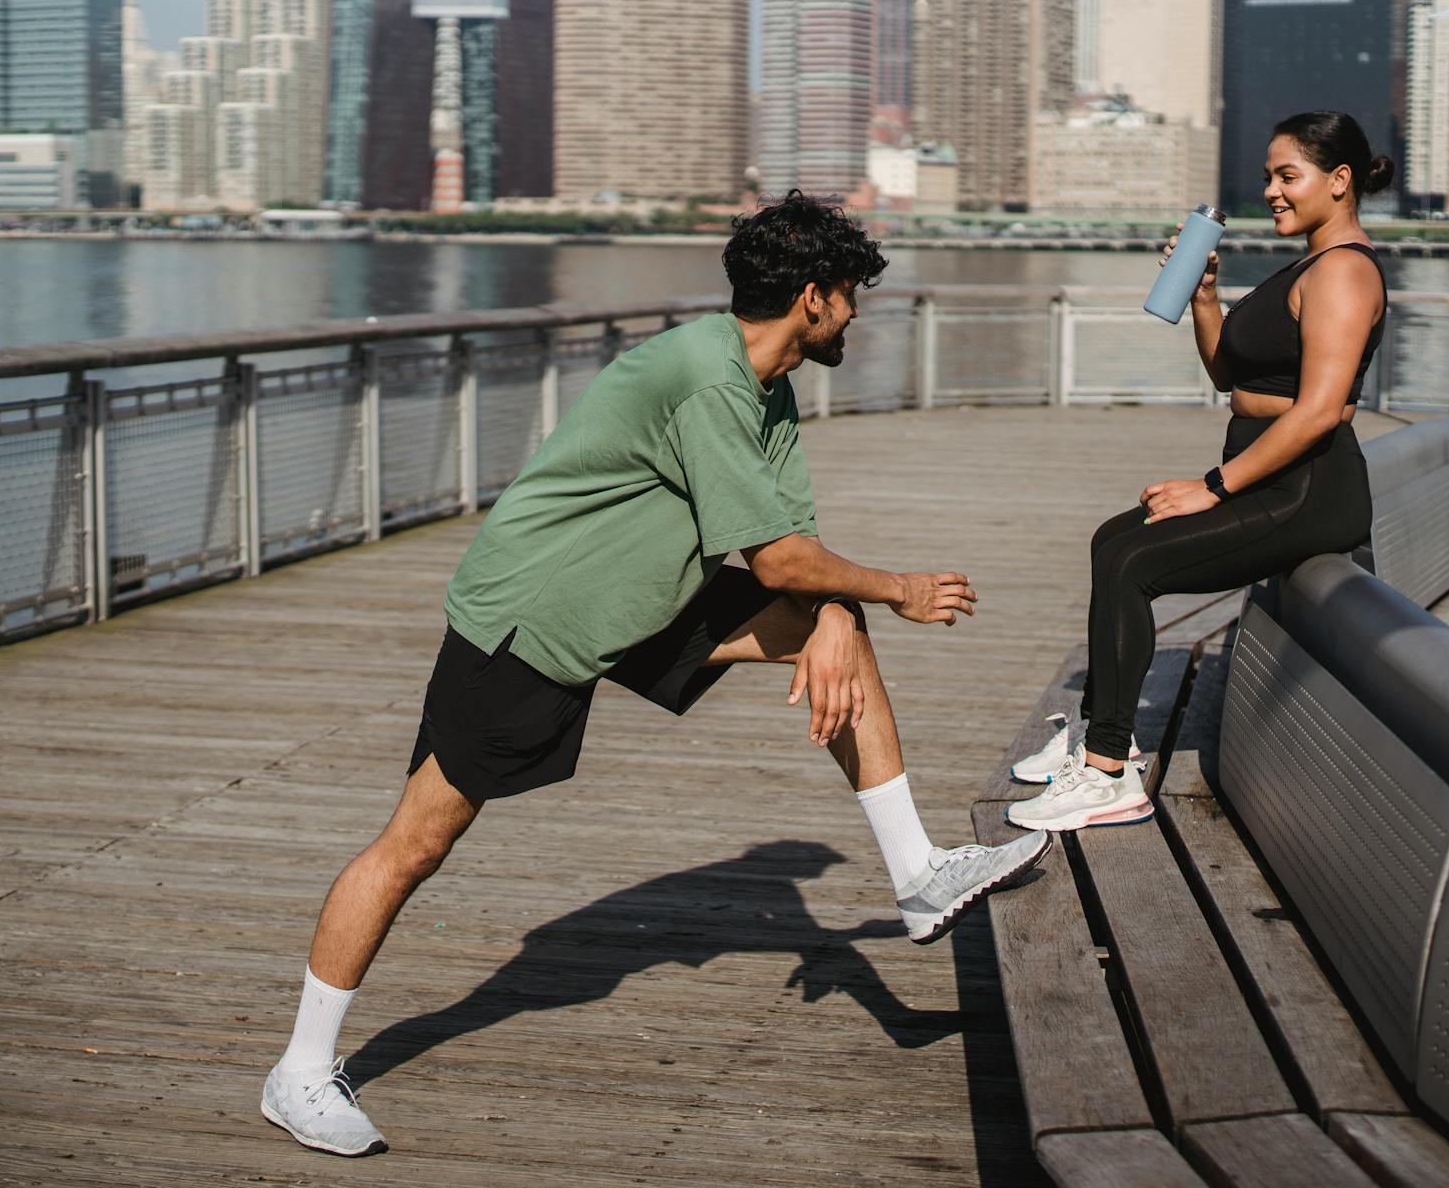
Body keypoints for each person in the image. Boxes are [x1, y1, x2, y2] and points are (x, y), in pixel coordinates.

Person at [260, 190, 1051, 1157]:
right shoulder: (708, 380)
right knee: (415, 843)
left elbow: (791, 553)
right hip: (534, 618)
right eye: (849, 296)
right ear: (811, 298)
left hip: (643, 597)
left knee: (828, 629)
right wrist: (894, 588)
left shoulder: (766, 382)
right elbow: (777, 563)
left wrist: (840, 612)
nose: (855, 313)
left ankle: (918, 875)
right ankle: (300, 1070)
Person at [1006, 110, 1392, 832]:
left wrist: (1210, 488)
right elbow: (1231, 378)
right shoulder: (1308, 264)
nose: (1271, 191)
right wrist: (1207, 297)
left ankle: (1109, 775)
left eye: (1288, 176)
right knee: (1112, 541)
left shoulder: (1344, 271)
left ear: (1339, 182)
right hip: (1274, 478)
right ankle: (1097, 741)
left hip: (1308, 490)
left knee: (1134, 564)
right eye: (1269, 177)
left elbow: (1315, 413)